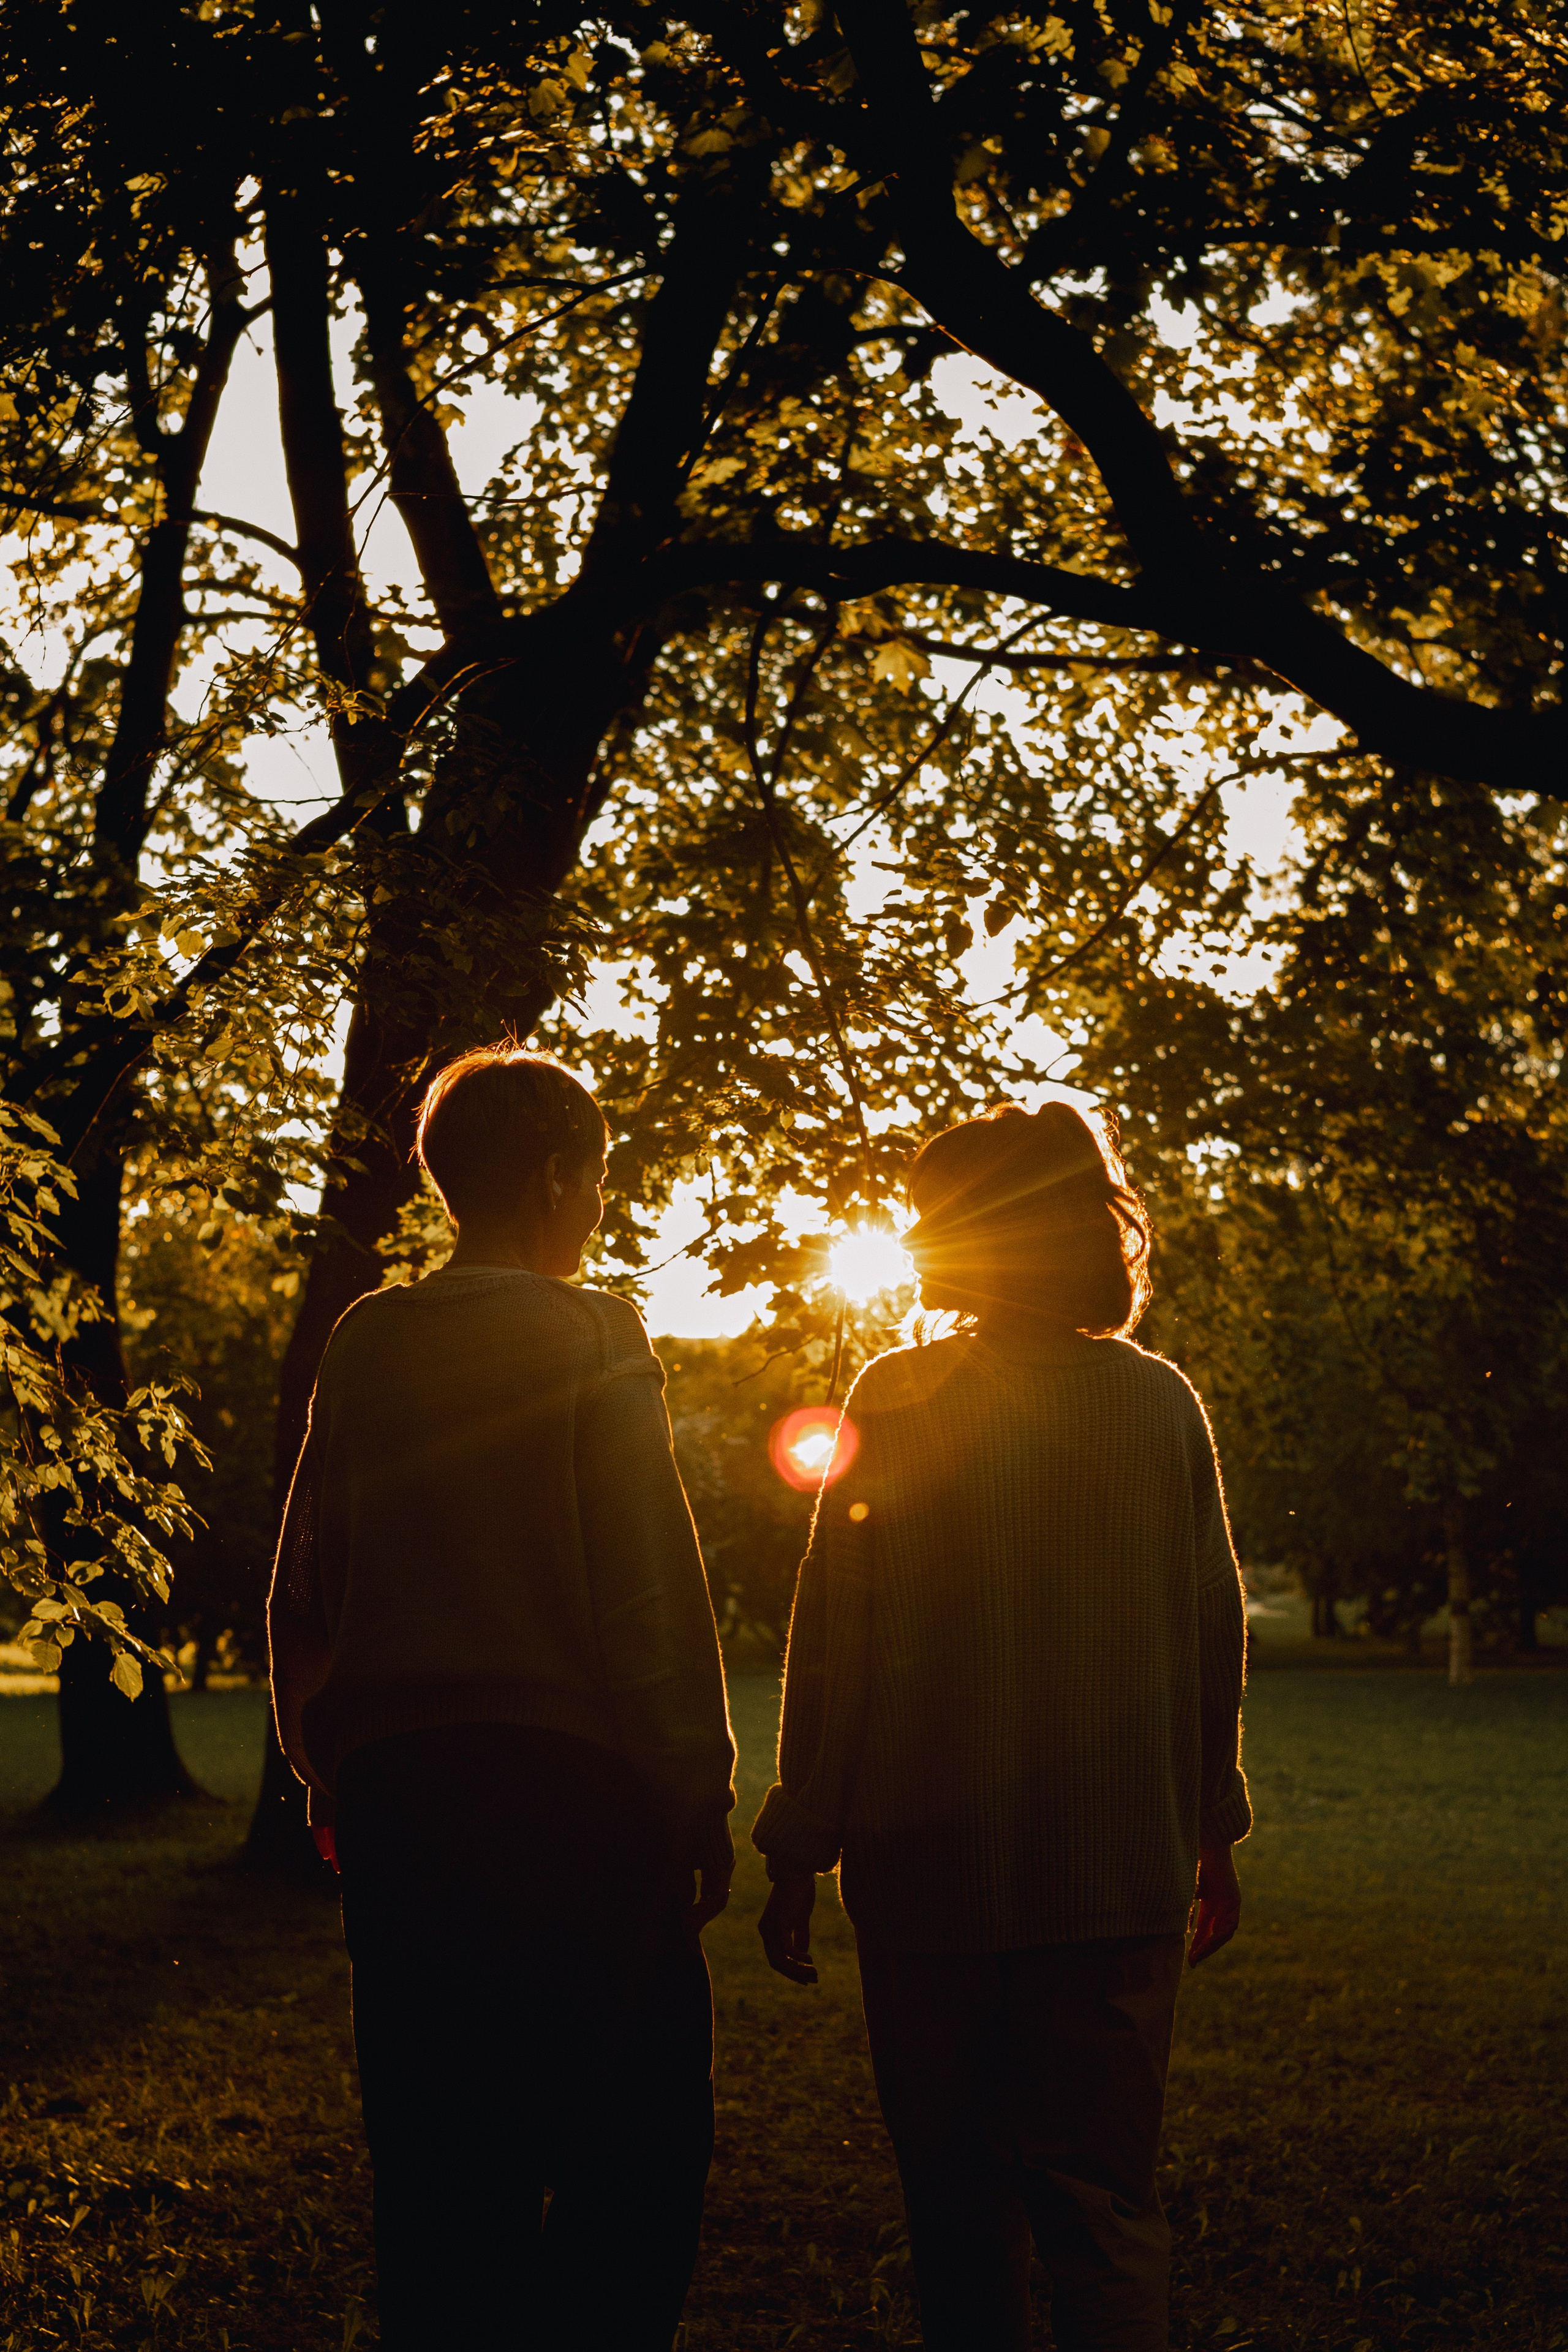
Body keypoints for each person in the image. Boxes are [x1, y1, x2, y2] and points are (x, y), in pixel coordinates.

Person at [753, 1101, 1250, 2352]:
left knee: (959, 2213)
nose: (918, 1241)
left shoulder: (900, 1396)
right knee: (1103, 2212)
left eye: (933, 1220)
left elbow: (836, 1645)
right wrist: (1210, 1834)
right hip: (1115, 1887)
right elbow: (1209, 1642)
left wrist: (799, 1841)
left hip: (933, 1895)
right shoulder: (1158, 1408)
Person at [268, 1046, 736, 2352]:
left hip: (410, 1806)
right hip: (578, 1798)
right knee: (633, 2147)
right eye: (595, 1184)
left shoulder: (369, 1340)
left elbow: (303, 1586)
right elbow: (645, 1589)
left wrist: (328, 1771)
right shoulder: (594, 1334)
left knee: (434, 2158)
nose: (596, 1210)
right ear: (550, 1179)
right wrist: (695, 1794)